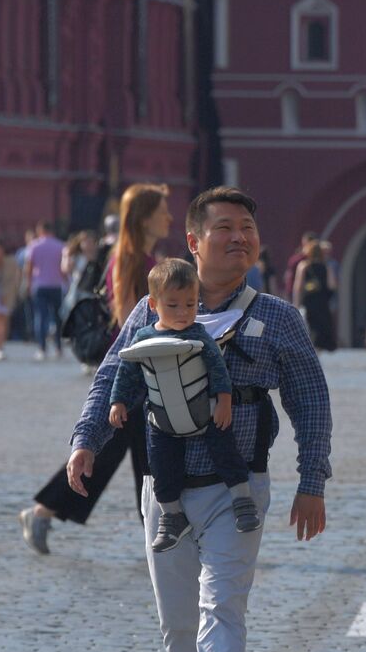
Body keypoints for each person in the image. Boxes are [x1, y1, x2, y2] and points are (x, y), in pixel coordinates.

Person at [66, 186, 332, 652]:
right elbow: (112, 375)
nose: (240, 237)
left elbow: (310, 400)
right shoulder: (150, 310)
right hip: (164, 489)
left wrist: (311, 480)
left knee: (222, 605)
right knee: (178, 619)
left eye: (248, 228)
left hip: (238, 489)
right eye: (225, 228)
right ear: (193, 241)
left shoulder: (276, 317)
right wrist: (86, 441)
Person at [17, 183, 172, 554]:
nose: (169, 216)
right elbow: (136, 322)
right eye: (163, 210)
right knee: (134, 452)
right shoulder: (136, 261)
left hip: (139, 373)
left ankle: (45, 511)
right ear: (146, 218)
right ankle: (159, 533)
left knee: (132, 452)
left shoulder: (136, 257)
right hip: (136, 373)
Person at [106, 258, 259, 552]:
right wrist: (118, 402)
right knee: (160, 466)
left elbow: (218, 369)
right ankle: (171, 515)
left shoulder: (199, 334)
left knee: (225, 450)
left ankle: (242, 499)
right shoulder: (143, 337)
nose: (183, 313)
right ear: (153, 305)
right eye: (173, 305)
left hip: (205, 411)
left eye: (190, 305)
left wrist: (224, 401)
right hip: (162, 421)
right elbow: (126, 372)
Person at [23, 220, 68, 360]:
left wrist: (28, 284)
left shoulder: (34, 246)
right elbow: (63, 269)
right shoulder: (61, 245)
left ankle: (42, 348)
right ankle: (58, 348)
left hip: (40, 285)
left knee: (40, 317)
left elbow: (29, 267)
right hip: (56, 285)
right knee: (57, 317)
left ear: (40, 230)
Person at [294, 240, 338, 352]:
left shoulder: (303, 266)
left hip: (309, 301)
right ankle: (318, 352)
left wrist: (296, 304)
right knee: (321, 328)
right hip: (323, 303)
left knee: (309, 327)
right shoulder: (326, 266)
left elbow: (298, 287)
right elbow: (332, 285)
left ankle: (311, 350)